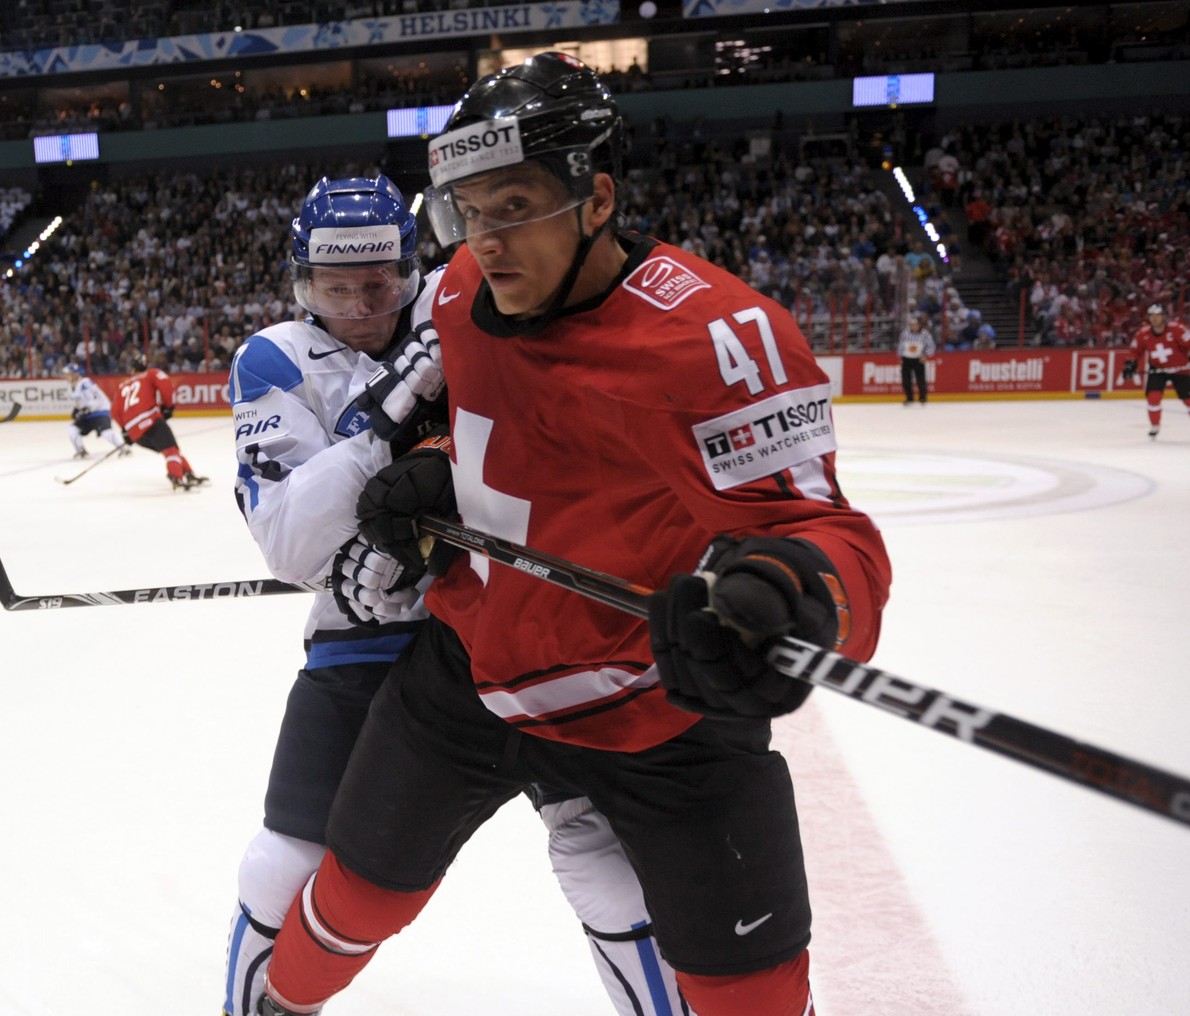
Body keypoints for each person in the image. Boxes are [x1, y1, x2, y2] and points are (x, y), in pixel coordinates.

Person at [256, 53, 891, 1016]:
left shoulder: (720, 336)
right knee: (356, 895)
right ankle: (273, 1004)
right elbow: (467, 411)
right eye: (467, 209)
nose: (486, 240)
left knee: (748, 993)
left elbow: (818, 529)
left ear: (596, 197)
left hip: (655, 703)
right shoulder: (464, 289)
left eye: (513, 205)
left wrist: (792, 593)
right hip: (466, 671)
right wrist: (433, 466)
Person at [223, 175, 687, 1016]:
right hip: (362, 636)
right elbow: (291, 545)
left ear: (411, 265)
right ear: (303, 283)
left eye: (382, 282)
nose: (364, 305)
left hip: (513, 619)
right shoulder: (275, 358)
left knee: (603, 859)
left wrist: (428, 454)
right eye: (337, 288)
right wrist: (386, 423)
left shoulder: (466, 298)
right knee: (286, 861)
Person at [110, 350, 208, 489]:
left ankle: (188, 473)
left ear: (132, 369)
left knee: (169, 450)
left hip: (135, 433)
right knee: (170, 449)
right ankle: (176, 477)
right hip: (150, 421)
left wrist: (126, 431)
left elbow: (114, 412)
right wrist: (168, 406)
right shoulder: (151, 373)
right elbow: (166, 386)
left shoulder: (122, 386)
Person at [1122, 303, 1190, 440]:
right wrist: (1130, 365)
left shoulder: (1178, 329)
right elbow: (1135, 351)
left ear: (1164, 316)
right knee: (1153, 398)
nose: (1154, 319)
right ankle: (1155, 426)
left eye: (1158, 315)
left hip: (1179, 369)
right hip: (1158, 370)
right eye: (1152, 316)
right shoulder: (1143, 334)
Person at [61, 362, 129, 459]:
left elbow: (95, 400)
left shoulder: (85, 383)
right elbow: (80, 403)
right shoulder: (71, 387)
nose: (66, 376)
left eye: (68, 374)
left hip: (100, 412)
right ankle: (81, 451)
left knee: (106, 433)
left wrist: (84, 410)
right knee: (72, 430)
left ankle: (124, 448)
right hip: (88, 415)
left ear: (75, 374)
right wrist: (77, 409)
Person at [898, 311, 936, 406]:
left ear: (919, 325)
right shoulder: (905, 333)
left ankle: (923, 398)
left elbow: (931, 346)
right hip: (907, 359)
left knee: (921, 380)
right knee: (906, 380)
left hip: (918, 359)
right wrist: (901, 356)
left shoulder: (925, 334)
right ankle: (909, 398)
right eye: (912, 325)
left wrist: (926, 355)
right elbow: (901, 345)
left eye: (915, 325)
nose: (913, 326)